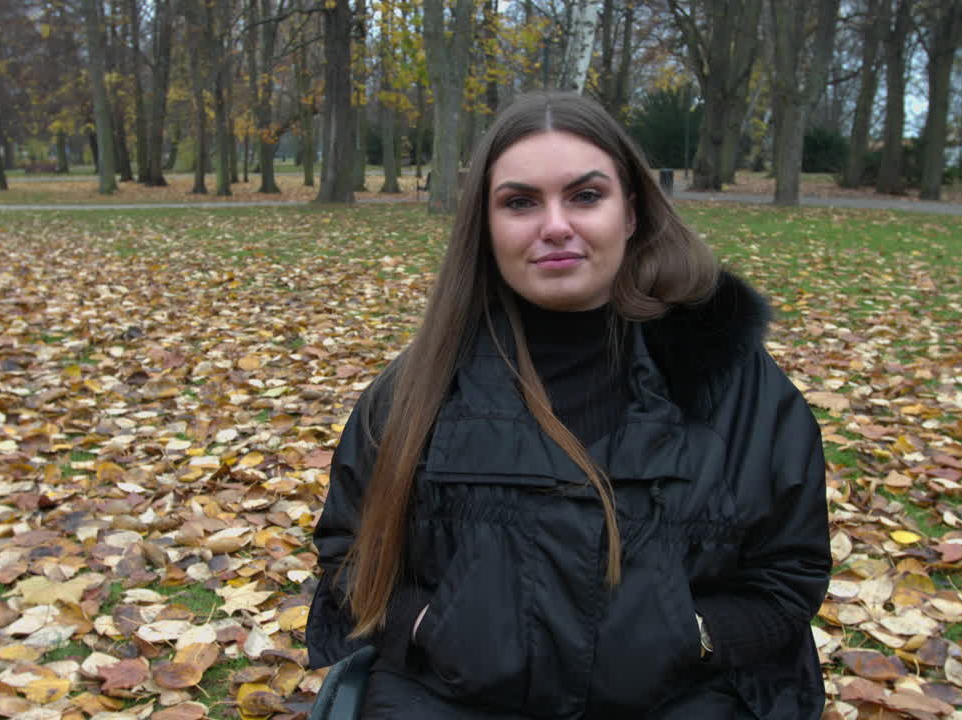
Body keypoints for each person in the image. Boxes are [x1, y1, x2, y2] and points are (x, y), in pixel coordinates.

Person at [307, 91, 831, 719]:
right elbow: (350, 557)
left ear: (631, 213)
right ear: (486, 225)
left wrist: (688, 634)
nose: (555, 225)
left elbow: (788, 573)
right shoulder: (416, 390)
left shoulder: (735, 387)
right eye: (520, 202)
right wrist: (430, 628)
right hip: (448, 700)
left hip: (678, 701)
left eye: (585, 196)